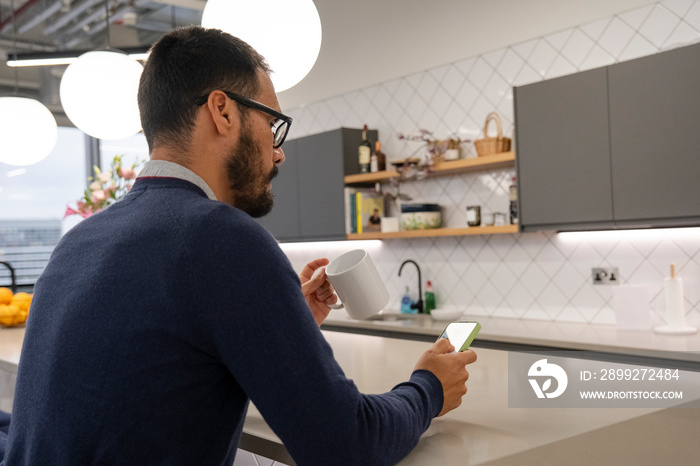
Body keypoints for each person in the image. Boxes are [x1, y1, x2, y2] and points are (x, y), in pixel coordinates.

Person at [0, 26, 476, 466]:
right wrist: (428, 387)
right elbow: (346, 444)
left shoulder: (79, 240)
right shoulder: (221, 236)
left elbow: (160, 378)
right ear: (222, 111)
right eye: (273, 123)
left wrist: (272, 325)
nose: (279, 150)